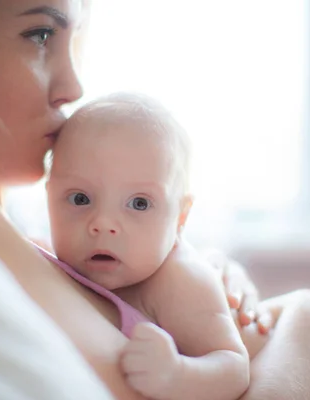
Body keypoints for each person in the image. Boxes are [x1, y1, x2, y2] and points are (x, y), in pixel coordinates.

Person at [0, 1, 310, 399]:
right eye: (41, 34)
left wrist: (194, 282)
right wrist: (308, 316)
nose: (74, 87)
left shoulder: (27, 238)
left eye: (139, 204)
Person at [44, 92, 249, 400]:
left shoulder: (180, 280)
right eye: (80, 199)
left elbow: (235, 368)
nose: (103, 223)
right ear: (49, 199)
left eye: (139, 203)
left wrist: (177, 375)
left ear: (181, 216)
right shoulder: (45, 264)